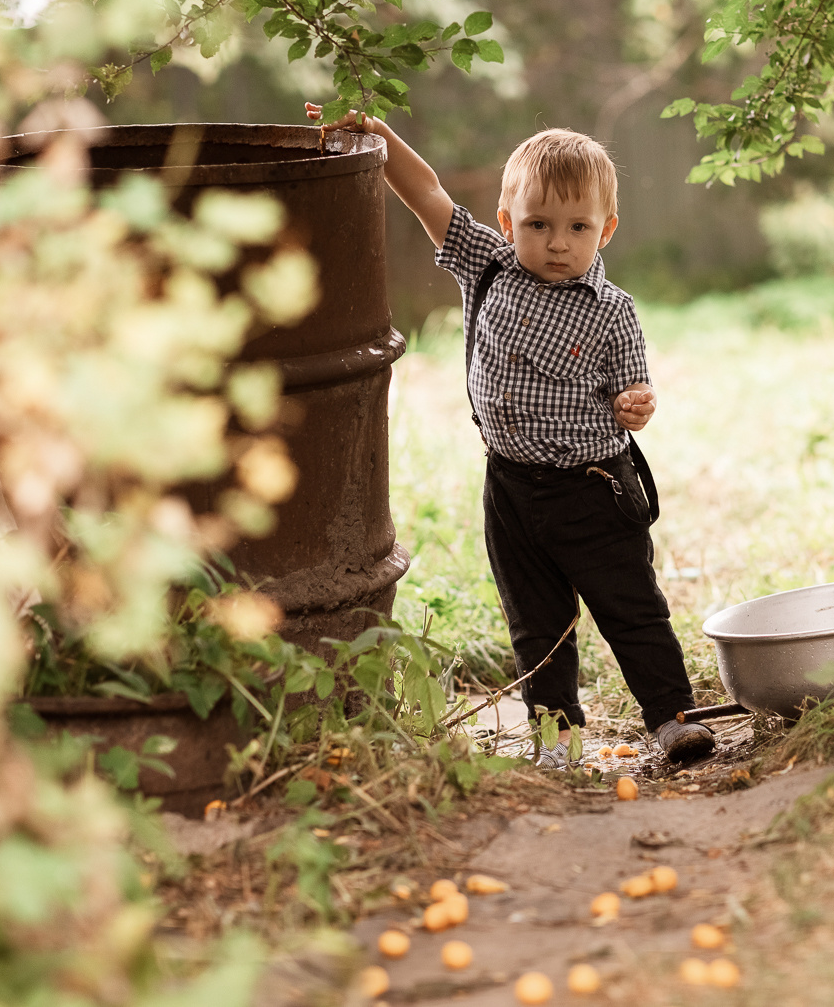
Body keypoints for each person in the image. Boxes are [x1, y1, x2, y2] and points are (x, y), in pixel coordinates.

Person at [305, 103, 717, 766]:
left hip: (595, 489)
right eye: (538, 224)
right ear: (507, 223)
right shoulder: (488, 266)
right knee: (536, 621)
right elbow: (427, 192)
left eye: (577, 227)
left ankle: (672, 718)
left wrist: (637, 405)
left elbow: (633, 392)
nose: (558, 242)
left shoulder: (614, 312)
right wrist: (381, 139)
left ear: (605, 229)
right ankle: (556, 738)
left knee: (632, 608)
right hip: (513, 489)